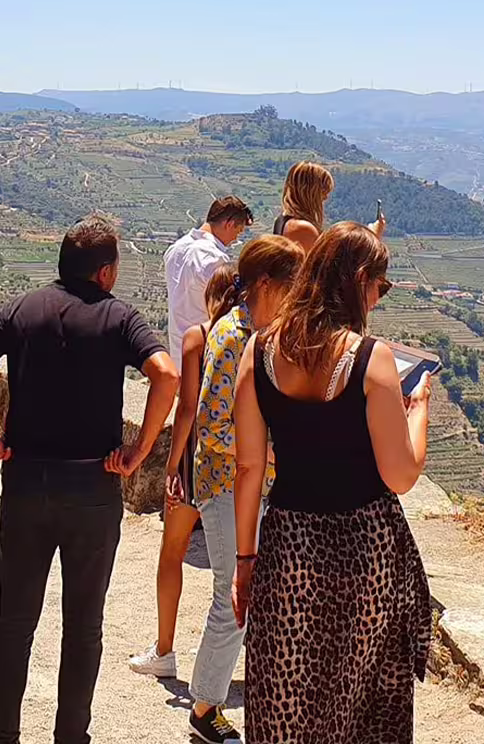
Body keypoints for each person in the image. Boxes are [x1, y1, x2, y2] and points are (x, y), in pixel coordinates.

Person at [231, 222, 432, 743]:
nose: (379, 299)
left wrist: (244, 560)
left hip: (289, 545)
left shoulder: (258, 351)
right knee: (364, 700)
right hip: (366, 550)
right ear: (361, 279)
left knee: (288, 692)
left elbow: (249, 466)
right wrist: (420, 413)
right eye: (380, 288)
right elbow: (402, 474)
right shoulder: (371, 359)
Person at [0, 217, 179, 744]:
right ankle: (71, 736)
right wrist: (139, 449)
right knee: (83, 626)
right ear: (105, 272)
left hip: (25, 483)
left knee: (12, 622)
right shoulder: (118, 317)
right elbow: (165, 374)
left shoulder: (21, 308)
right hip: (92, 489)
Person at [186, 236, 304, 744]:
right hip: (224, 484)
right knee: (232, 597)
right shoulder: (235, 336)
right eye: (290, 286)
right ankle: (205, 707)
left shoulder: (256, 332)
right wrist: (275, 453)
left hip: (247, 483)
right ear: (264, 285)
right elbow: (212, 427)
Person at [128, 264, 236, 678]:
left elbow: (188, 407)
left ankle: (165, 650)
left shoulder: (200, 336)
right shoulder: (256, 339)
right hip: (238, 467)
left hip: (197, 462)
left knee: (171, 552)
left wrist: (172, 465)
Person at [164, 196, 253, 368]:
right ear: (228, 223)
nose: (235, 239)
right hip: (203, 349)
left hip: (177, 348)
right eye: (238, 231)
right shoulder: (215, 259)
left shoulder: (175, 249)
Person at [272, 161, 387, 251]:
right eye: (323, 193)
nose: (325, 198)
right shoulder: (302, 229)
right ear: (311, 193)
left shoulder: (282, 220)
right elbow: (325, 270)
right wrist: (372, 237)